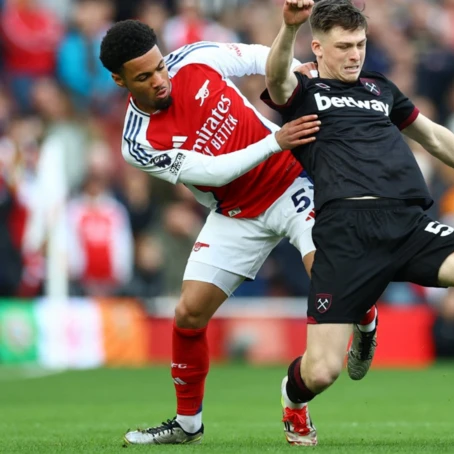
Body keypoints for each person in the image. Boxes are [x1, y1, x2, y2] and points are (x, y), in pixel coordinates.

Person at [261, 0, 454, 446]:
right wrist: (286, 29)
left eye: (361, 44)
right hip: (346, 235)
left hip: (408, 224)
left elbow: (432, 135)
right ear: (318, 48)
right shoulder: (303, 91)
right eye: (344, 46)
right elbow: (275, 77)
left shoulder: (379, 88)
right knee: (323, 371)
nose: (354, 54)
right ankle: (293, 400)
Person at [98, 20, 326, 445]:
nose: (160, 80)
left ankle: (362, 324)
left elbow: (258, 56)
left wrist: (297, 68)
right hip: (236, 213)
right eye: (144, 77)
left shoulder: (195, 57)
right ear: (119, 80)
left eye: (160, 67)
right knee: (188, 314)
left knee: (331, 280)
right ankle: (188, 424)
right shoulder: (138, 141)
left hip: (292, 183)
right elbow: (209, 171)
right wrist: (276, 140)